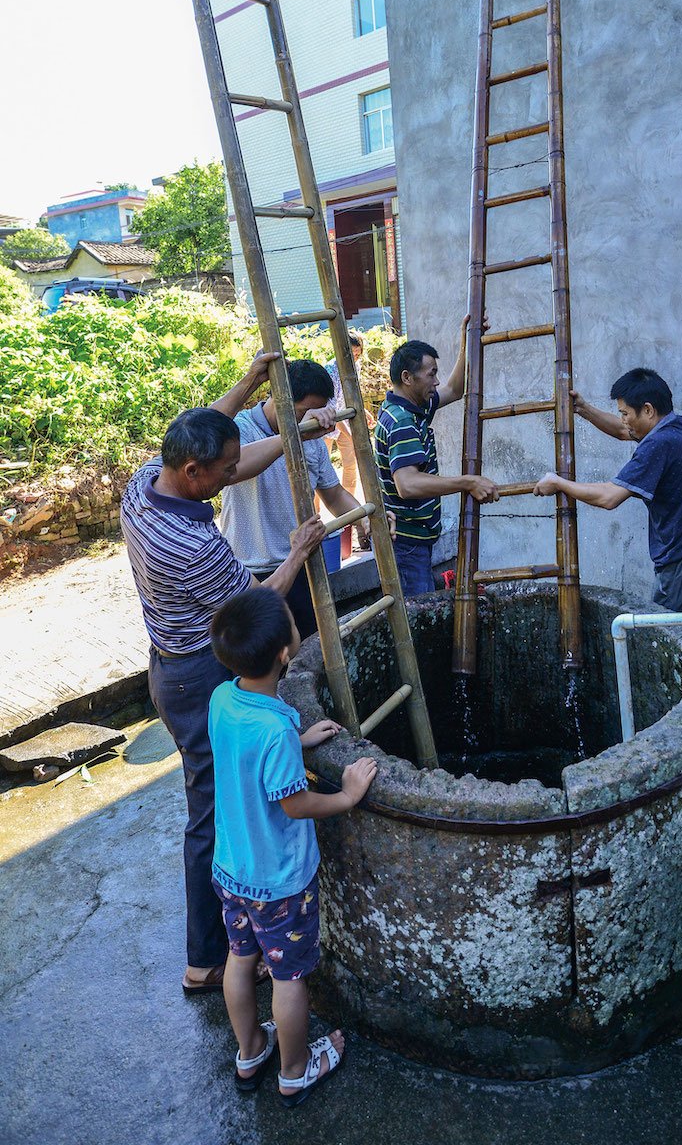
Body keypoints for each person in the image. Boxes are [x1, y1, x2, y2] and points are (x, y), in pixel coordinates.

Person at [120, 374, 337, 994]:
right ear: (192, 470)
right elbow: (253, 607)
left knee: (225, 788)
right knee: (212, 809)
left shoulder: (142, 487)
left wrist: (252, 376)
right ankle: (206, 957)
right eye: (225, 470)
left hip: (171, 660)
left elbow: (210, 423)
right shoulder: (192, 544)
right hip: (195, 672)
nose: (234, 476)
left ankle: (228, 934)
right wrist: (298, 551)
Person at [207, 586, 376, 1107]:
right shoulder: (275, 732)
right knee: (288, 976)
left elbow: (245, 752)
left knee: (240, 961)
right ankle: (295, 1069)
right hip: (278, 883)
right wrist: (346, 796)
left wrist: (298, 741)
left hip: (231, 869)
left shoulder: (222, 699)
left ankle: (251, 1050)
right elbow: (295, 804)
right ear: (286, 653)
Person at [534, 368, 682, 649]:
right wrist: (583, 409)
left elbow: (609, 497)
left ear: (648, 410)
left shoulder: (659, 443)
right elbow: (623, 431)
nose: (623, 420)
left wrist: (559, 483)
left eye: (625, 412)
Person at [216, 357, 371, 640]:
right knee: (259, 662)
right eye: (301, 412)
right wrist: (295, 434)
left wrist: (364, 518)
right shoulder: (239, 429)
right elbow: (227, 470)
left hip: (301, 564)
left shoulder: (312, 437)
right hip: (249, 571)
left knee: (310, 651)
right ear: (279, 396)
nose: (307, 419)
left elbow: (333, 494)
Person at [376, 322, 498, 597]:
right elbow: (407, 484)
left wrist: (467, 342)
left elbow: (455, 389)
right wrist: (468, 482)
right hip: (408, 542)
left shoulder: (410, 407)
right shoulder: (402, 421)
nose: (436, 381)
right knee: (418, 616)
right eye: (431, 375)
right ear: (408, 378)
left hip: (416, 538)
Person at [324, 331, 374, 562]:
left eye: (357, 354)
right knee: (321, 472)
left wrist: (362, 412)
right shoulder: (331, 370)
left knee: (351, 467)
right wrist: (350, 432)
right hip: (326, 423)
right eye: (350, 353)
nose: (354, 358)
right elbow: (331, 409)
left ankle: (349, 513)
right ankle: (318, 516)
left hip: (344, 420)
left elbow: (350, 399)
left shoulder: (355, 370)